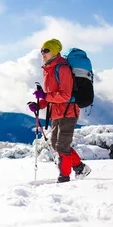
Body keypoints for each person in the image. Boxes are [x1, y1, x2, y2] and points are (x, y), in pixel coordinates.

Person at [28, 38, 91, 183]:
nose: (42, 53)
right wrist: (40, 105)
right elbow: (53, 96)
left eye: (46, 50)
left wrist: (44, 95)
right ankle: (80, 167)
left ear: (55, 51)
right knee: (56, 144)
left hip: (69, 112)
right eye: (41, 51)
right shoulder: (48, 70)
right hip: (56, 112)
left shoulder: (62, 68)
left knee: (62, 145)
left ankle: (64, 178)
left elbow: (65, 95)